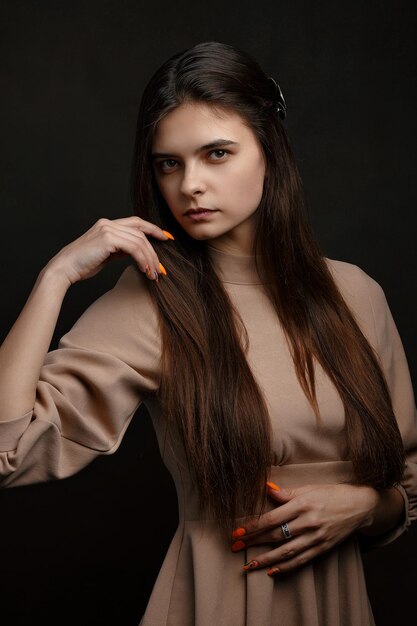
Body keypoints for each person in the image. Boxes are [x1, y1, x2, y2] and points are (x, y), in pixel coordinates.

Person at [0, 40, 416, 626]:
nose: (190, 184)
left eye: (216, 153)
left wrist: (369, 506)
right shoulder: (154, 299)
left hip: (341, 606)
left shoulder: (356, 294)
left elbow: (407, 478)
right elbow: (9, 454)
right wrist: (55, 278)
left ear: (270, 151)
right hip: (221, 603)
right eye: (168, 163)